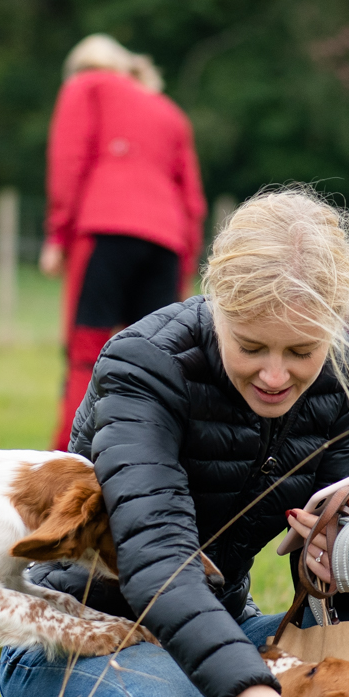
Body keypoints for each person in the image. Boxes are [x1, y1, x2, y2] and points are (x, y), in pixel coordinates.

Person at [0, 188, 349, 697]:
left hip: (225, 629)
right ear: (217, 304)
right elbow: (157, 568)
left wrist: (347, 562)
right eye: (251, 347)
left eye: (301, 351)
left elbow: (343, 565)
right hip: (75, 637)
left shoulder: (338, 378)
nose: (276, 375)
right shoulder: (144, 366)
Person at [41, 33, 207, 450]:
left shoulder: (85, 86)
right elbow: (192, 199)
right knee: (157, 360)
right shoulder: (170, 112)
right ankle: (152, 454)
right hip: (166, 241)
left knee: (87, 349)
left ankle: (68, 456)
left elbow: (69, 160)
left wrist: (57, 234)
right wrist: (184, 265)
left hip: (106, 230)